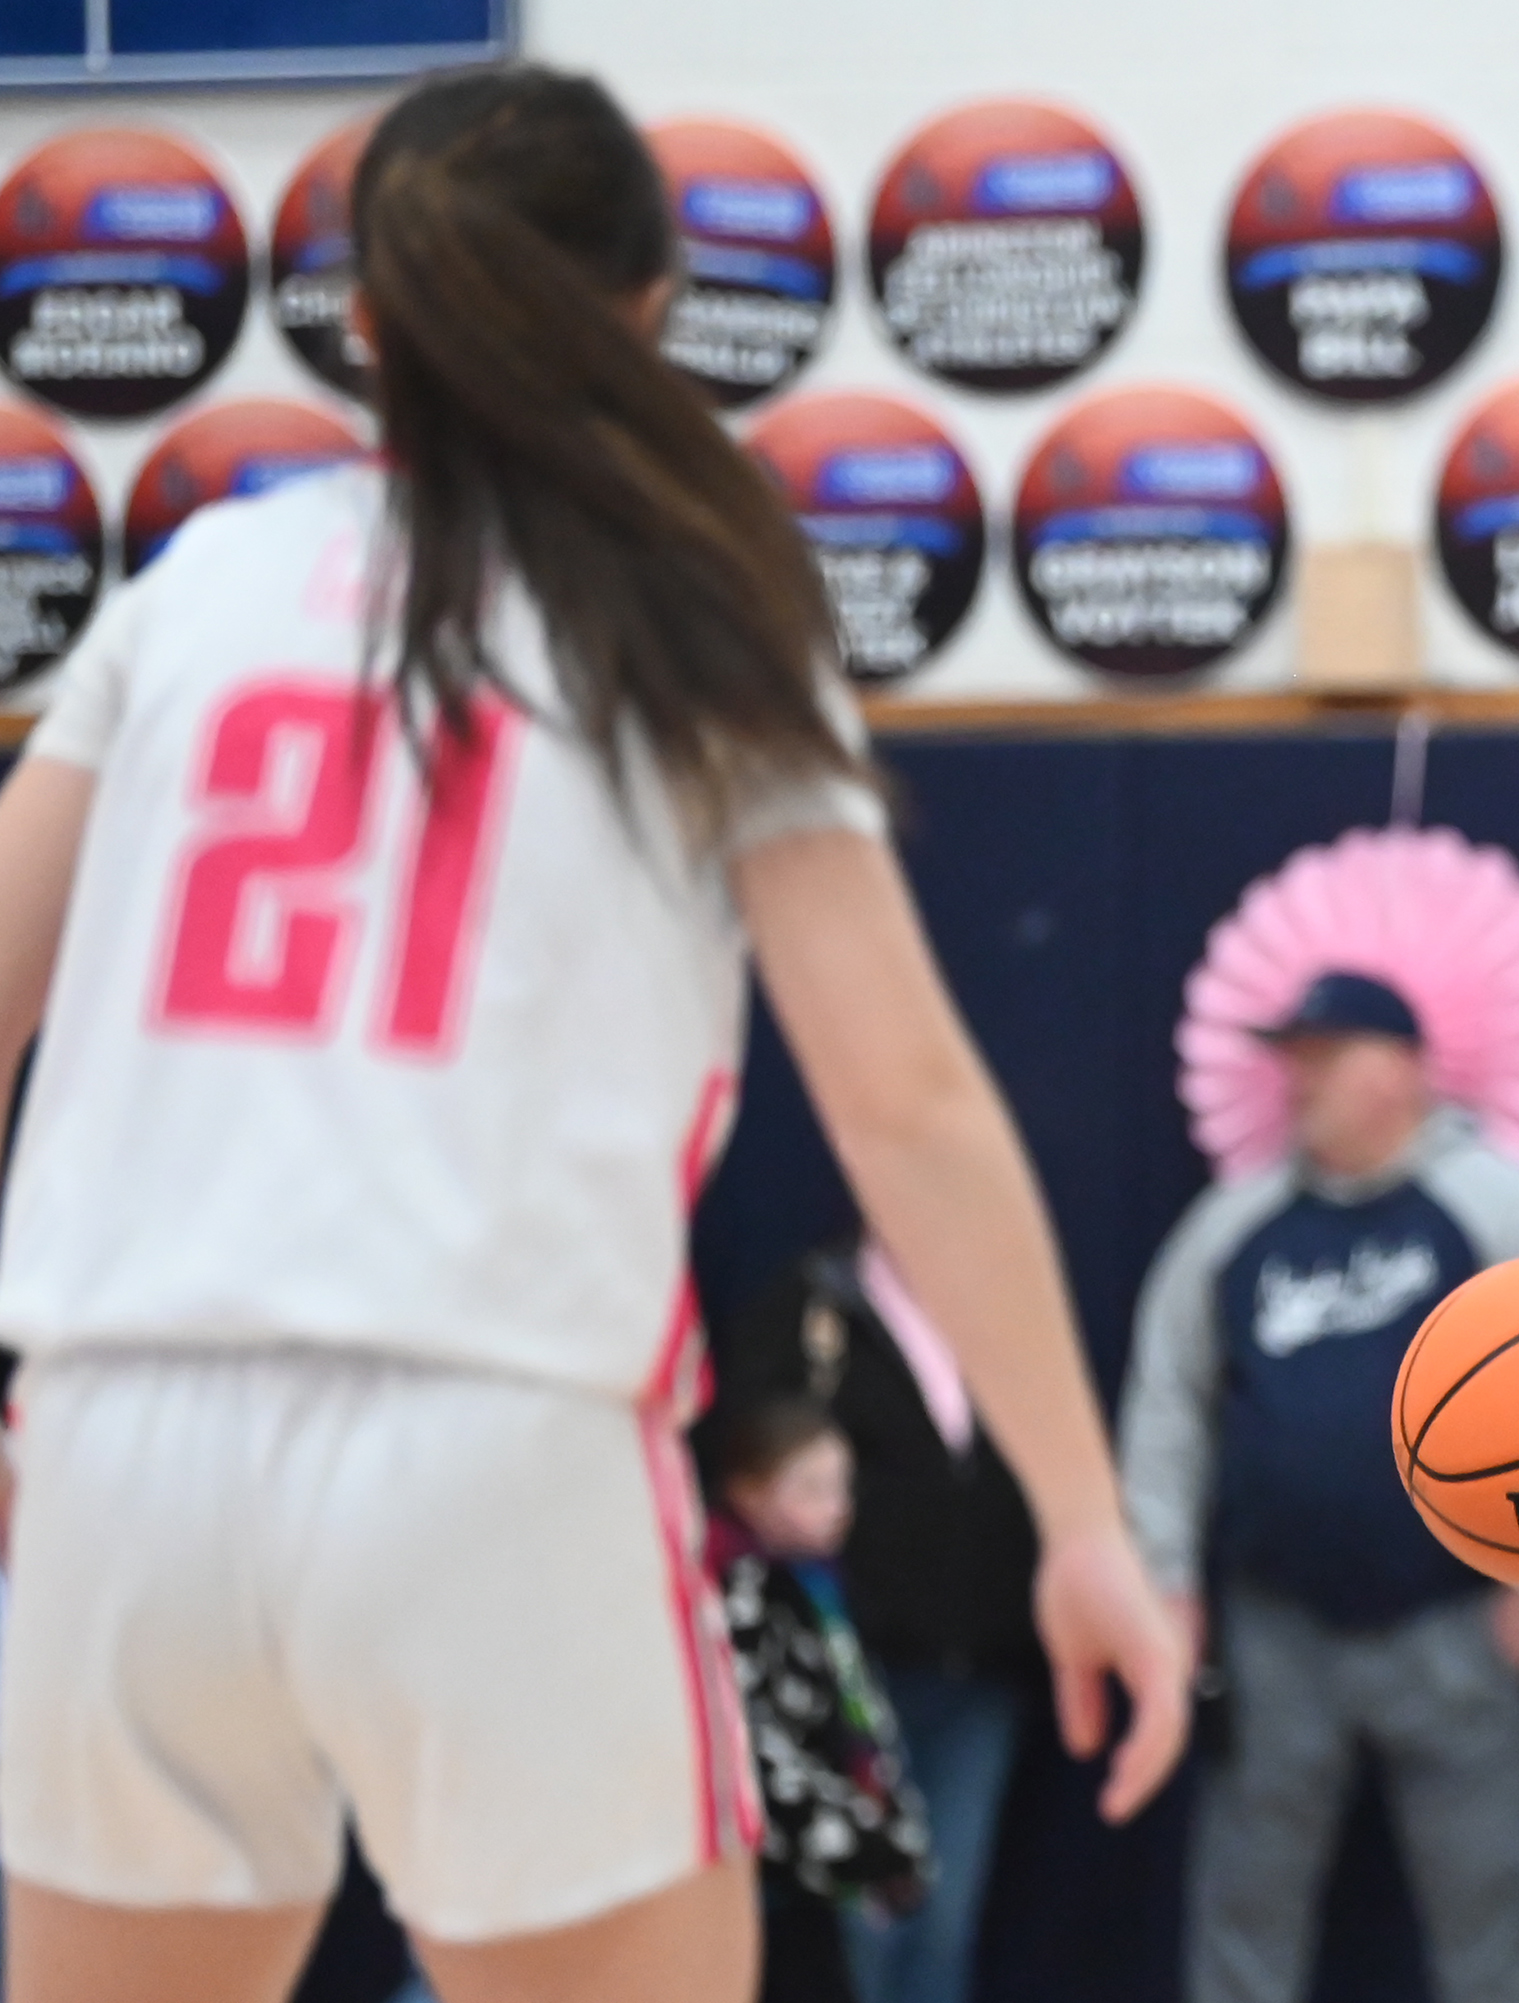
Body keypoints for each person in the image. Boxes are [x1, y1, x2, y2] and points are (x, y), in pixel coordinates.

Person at [0, 65, 1184, 2003]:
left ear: (366, 317)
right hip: (493, 1426)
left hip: (124, 1427)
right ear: (648, 309)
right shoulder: (693, 586)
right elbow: (906, 1099)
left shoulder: (199, 582)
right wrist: (1080, 1514)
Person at [1121, 969, 1519, 2003]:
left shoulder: (1499, 1206)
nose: (1299, 1080)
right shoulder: (1234, 1225)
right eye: (1292, 1057)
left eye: (1326, 1055)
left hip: (1456, 1623)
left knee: (1490, 1911)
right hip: (1274, 1626)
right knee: (1247, 1907)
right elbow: (1167, 1404)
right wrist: (1164, 1581)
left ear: (1403, 1068)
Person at [712, 1236, 1044, 2003]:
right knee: (853, 1920)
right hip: (847, 1677)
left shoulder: (1009, 1319)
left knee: (943, 1915)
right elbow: (753, 1461)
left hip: (980, 1670)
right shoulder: (812, 1310)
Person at [703, 1398, 929, 2003]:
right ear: (747, 1491)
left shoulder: (821, 1587)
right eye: (810, 1489)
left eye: (840, 1488)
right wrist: (854, 1839)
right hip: (776, 1871)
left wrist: (892, 1828)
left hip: (832, 1876)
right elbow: (751, 1741)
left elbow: (863, 1717)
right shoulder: (739, 1594)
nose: (836, 1507)